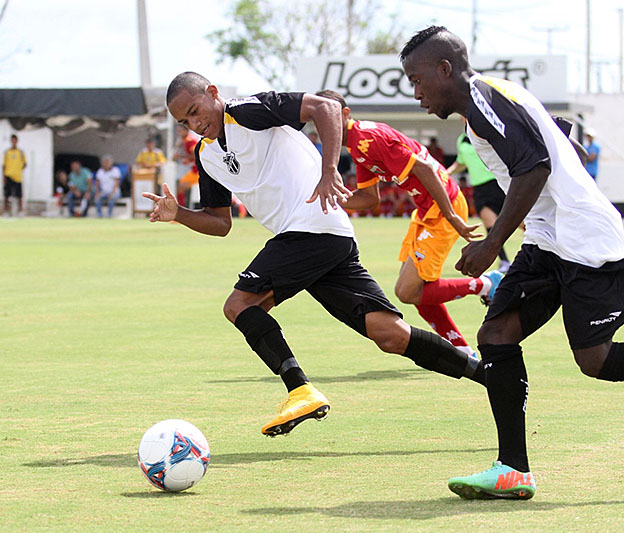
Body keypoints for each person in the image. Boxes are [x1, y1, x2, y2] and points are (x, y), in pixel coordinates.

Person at [400, 25, 624, 501]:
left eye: (418, 78)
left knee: (595, 359)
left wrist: (494, 242)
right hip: (549, 238)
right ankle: (513, 469)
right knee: (495, 335)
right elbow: (566, 142)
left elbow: (535, 166)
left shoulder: (484, 101)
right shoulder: (494, 97)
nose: (416, 91)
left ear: (445, 69)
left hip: (582, 239)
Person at [145, 71, 488, 438]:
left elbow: (324, 106)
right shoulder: (206, 155)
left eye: (196, 111)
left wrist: (329, 172)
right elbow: (220, 221)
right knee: (389, 334)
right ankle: (489, 374)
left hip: (311, 226)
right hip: (321, 238)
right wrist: (179, 214)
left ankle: (299, 389)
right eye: (185, 121)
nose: (195, 124)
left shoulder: (248, 111)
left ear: (214, 93)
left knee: (239, 305)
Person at [316, 90, 503, 361]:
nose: (323, 126)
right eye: (317, 120)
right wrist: (327, 198)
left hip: (442, 206)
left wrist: (451, 216)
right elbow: (369, 198)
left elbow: (425, 169)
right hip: (427, 210)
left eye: (328, 118)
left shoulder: (368, 138)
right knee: (417, 290)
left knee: (406, 290)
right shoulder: (355, 146)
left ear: (345, 115)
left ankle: (485, 284)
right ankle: (462, 350)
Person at [447, 119, 511, 273]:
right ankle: (505, 261)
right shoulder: (462, 139)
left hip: (496, 183)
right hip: (479, 189)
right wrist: (445, 173)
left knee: (522, 223)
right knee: (490, 223)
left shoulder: (486, 133)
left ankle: (545, 252)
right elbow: (461, 162)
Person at [173, 124, 200, 207]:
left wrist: (182, 157)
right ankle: (184, 211)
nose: (179, 133)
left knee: (180, 188)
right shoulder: (183, 140)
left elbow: (195, 155)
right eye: (178, 131)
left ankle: (182, 212)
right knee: (182, 189)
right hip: (192, 169)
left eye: (180, 131)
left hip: (196, 170)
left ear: (186, 130)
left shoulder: (190, 140)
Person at [3, 133, 26, 216]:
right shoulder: (7, 152)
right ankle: (6, 211)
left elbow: (24, 164)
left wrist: (18, 170)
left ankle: (20, 211)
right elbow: (4, 165)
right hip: (8, 175)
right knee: (6, 195)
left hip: (18, 177)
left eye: (15, 141)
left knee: (19, 195)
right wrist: (4, 176)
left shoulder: (20, 152)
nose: (13, 142)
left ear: (17, 141)